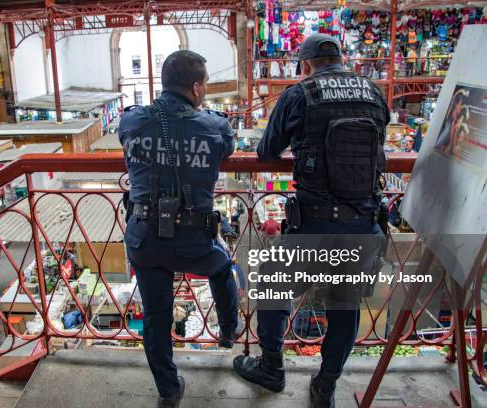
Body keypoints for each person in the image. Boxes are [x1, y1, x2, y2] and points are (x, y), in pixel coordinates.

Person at [234, 33, 389, 408]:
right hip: (364, 223)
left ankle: (272, 367)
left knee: (272, 285)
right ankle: (326, 386)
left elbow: (267, 151)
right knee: (345, 306)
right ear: (342, 58)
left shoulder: (300, 94)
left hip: (314, 226)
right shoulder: (373, 92)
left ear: (304, 65)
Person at [119, 50, 239, 408]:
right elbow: (227, 147)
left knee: (156, 315)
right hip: (194, 244)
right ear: (198, 87)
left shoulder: (131, 121)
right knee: (223, 269)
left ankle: (169, 390)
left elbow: (124, 137)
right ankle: (228, 334)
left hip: (144, 238)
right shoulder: (216, 127)